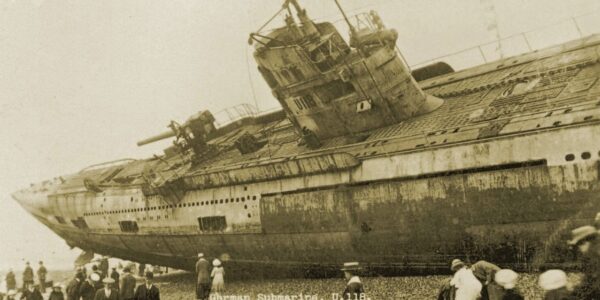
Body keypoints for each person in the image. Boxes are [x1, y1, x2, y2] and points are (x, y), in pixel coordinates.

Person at [568, 225, 600, 299]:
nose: (578, 250)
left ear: (586, 242)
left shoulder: (594, 257)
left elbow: (593, 282)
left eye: (578, 246)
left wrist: (574, 291)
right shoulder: (593, 255)